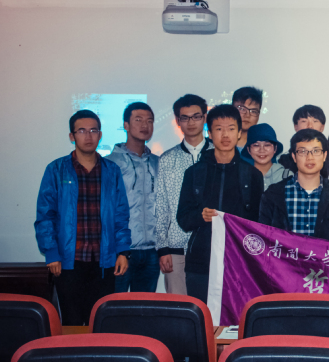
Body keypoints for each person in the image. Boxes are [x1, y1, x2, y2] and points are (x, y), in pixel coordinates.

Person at [35, 110, 131, 326]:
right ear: (72, 136)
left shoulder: (112, 171)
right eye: (81, 131)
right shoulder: (56, 170)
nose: (88, 136)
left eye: (93, 130)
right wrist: (51, 252)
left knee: (100, 322)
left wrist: (123, 251)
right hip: (69, 261)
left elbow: (120, 214)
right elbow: (45, 215)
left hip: (104, 262)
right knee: (72, 322)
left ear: (100, 135)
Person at [176, 105, 264, 302]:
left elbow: (259, 223)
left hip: (240, 263)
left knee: (237, 317)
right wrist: (200, 216)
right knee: (202, 316)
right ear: (209, 133)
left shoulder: (253, 175)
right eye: (219, 129)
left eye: (231, 129)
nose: (225, 135)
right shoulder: (194, 173)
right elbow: (183, 218)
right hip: (201, 263)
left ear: (239, 133)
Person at [155, 94, 214, 295]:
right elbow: (161, 206)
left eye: (196, 116)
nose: (191, 122)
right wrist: (163, 248)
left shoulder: (218, 154)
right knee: (180, 307)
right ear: (178, 121)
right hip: (176, 248)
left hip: (211, 247)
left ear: (204, 118)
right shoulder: (167, 159)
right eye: (185, 117)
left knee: (211, 307)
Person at [260, 129, 329, 242]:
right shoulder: (273, 194)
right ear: (294, 157)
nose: (310, 157)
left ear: (324, 156)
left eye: (316, 151)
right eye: (302, 151)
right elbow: (263, 240)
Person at [106, 102, 160, 293]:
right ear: (126, 125)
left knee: (144, 307)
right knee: (114, 306)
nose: (145, 125)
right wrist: (117, 248)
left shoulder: (158, 162)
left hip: (152, 251)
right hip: (121, 251)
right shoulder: (110, 164)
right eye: (138, 120)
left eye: (149, 121)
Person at [277, 104, 327, 173]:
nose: (310, 126)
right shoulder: (284, 161)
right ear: (295, 126)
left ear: (322, 127)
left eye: (315, 121)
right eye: (304, 121)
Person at [245, 123, 291, 189]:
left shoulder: (287, 176)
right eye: (256, 145)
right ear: (248, 149)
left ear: (275, 148)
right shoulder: (241, 176)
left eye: (267, 145)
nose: (262, 150)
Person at [232, 86, 263, 151]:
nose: (247, 115)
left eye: (253, 111)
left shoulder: (264, 150)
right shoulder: (214, 145)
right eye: (242, 109)